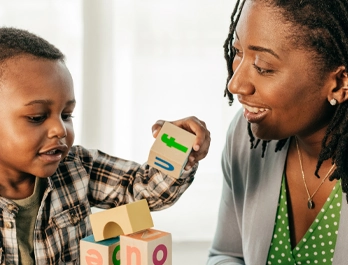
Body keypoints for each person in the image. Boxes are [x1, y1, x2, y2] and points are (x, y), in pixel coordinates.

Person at [0, 27, 211, 265]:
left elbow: (144, 194)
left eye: (66, 115)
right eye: (37, 117)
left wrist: (179, 152)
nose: (60, 130)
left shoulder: (76, 167)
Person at [207, 0, 348, 264]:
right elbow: (226, 253)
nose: (235, 84)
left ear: (339, 83)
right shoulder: (246, 137)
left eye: (263, 67)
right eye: (237, 51)